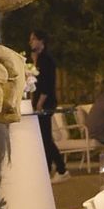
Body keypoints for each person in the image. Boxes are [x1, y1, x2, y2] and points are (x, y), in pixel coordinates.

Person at [26, 29, 60, 177]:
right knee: (43, 136)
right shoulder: (35, 59)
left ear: (41, 41)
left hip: (45, 102)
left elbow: (47, 83)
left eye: (33, 39)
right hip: (37, 100)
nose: (31, 42)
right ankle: (48, 167)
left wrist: (40, 103)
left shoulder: (47, 60)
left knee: (45, 137)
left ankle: (61, 168)